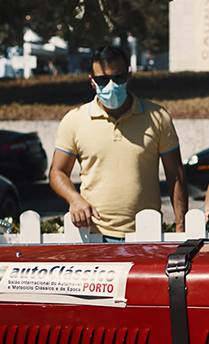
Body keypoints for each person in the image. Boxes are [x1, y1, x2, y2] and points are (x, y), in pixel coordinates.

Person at [50, 46, 187, 242]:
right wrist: (74, 199)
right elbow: (57, 172)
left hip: (147, 235)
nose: (111, 85)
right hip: (94, 235)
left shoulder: (157, 117)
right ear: (92, 81)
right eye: (102, 80)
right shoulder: (74, 120)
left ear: (129, 77)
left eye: (118, 77)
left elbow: (175, 173)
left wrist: (181, 226)